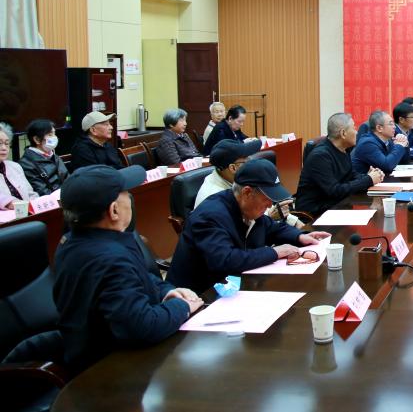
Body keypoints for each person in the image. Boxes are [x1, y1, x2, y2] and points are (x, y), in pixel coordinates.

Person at [53, 164, 202, 375]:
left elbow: (139, 277)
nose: (131, 199)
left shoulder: (76, 240)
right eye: (126, 194)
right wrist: (183, 306)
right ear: (114, 210)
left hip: (100, 352)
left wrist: (167, 292)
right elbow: (142, 327)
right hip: (111, 370)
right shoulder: (109, 258)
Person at [167, 159, 330, 294]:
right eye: (267, 198)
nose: (270, 205)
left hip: (235, 287)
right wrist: (275, 252)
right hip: (198, 297)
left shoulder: (248, 208)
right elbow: (225, 260)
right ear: (247, 192)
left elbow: (271, 227)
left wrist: (300, 236)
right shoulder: (210, 216)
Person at [296, 113, 383, 218]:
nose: (356, 132)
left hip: (337, 206)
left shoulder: (344, 149)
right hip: (315, 214)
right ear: (343, 133)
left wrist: (370, 176)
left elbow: (351, 175)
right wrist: (368, 180)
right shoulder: (320, 156)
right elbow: (334, 191)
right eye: (354, 128)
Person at [195, 138, 263, 207]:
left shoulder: (234, 180)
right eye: (247, 162)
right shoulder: (215, 199)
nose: (251, 165)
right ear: (233, 168)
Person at [17, 118, 67, 196]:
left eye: (54, 134)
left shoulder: (54, 156)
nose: (55, 137)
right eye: (50, 134)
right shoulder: (26, 164)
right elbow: (42, 192)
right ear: (37, 139)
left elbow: (68, 180)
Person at [351, 110, 408, 176]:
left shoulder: (388, 140)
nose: (394, 127)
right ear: (379, 128)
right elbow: (387, 166)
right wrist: (399, 146)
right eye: (391, 124)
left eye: (393, 123)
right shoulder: (367, 143)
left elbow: (404, 161)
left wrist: (404, 142)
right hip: (363, 181)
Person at [1, 121, 39, 209]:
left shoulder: (15, 166)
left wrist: (37, 207)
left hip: (29, 213)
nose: (4, 148)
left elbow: (31, 194)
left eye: (6, 143)